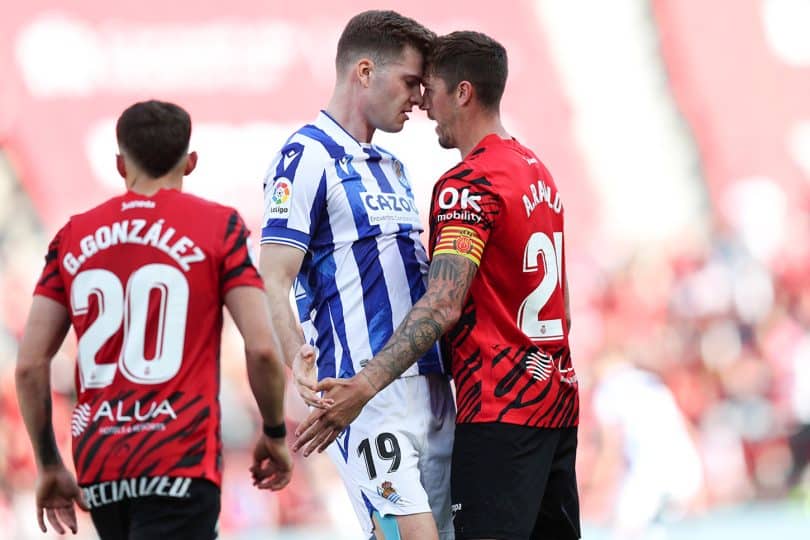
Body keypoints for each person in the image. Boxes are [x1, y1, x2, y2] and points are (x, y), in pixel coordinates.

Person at [294, 31, 581, 539]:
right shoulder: (537, 173)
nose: (424, 105)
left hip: (500, 409)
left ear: (464, 92)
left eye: (432, 89)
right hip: (556, 402)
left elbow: (443, 304)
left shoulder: (468, 185)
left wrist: (363, 385)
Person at [15, 100, 292, 539]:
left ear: (121, 165)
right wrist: (275, 432)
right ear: (191, 162)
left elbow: (30, 365)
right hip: (179, 458)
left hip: (101, 466)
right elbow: (260, 349)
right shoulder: (220, 227)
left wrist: (49, 464)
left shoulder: (72, 235)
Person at [258, 10, 455, 540]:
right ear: (364, 71)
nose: (418, 99)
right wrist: (296, 355)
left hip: (434, 387)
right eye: (411, 83)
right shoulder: (305, 157)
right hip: (364, 396)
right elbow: (274, 276)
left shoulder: (393, 166)